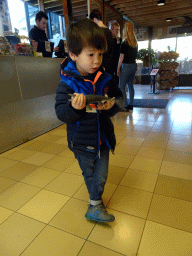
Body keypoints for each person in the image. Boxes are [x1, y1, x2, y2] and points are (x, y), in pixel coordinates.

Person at [55, 19, 122, 223]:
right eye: (91, 55)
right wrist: (74, 109)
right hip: (81, 141)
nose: (97, 61)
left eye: (100, 54)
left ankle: (94, 204)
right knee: (90, 173)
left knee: (101, 174)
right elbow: (61, 112)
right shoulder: (67, 83)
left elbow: (118, 100)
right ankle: (95, 205)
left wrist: (112, 106)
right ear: (73, 54)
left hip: (103, 138)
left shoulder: (105, 79)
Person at [117, 21, 138, 112]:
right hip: (134, 65)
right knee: (130, 86)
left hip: (126, 66)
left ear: (125, 30)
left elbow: (121, 57)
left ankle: (125, 105)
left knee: (121, 86)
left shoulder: (124, 43)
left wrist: (118, 68)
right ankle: (131, 105)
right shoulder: (135, 43)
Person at [90, 10, 114, 76]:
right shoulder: (109, 32)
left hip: (101, 65)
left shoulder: (97, 32)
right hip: (109, 64)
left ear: (94, 19)